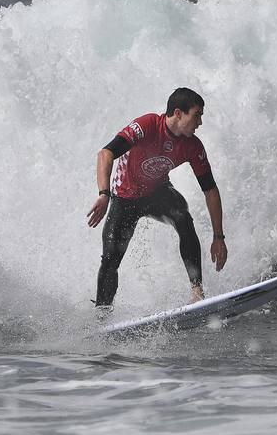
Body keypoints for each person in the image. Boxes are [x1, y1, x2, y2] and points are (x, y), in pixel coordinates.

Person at [86, 87, 228, 308]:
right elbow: (106, 153)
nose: (200, 122)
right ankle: (102, 316)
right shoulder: (147, 126)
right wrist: (104, 194)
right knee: (110, 260)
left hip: (157, 193)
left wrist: (219, 237)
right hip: (125, 197)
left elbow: (210, 189)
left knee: (183, 218)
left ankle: (197, 292)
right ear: (179, 113)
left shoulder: (192, 145)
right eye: (197, 114)